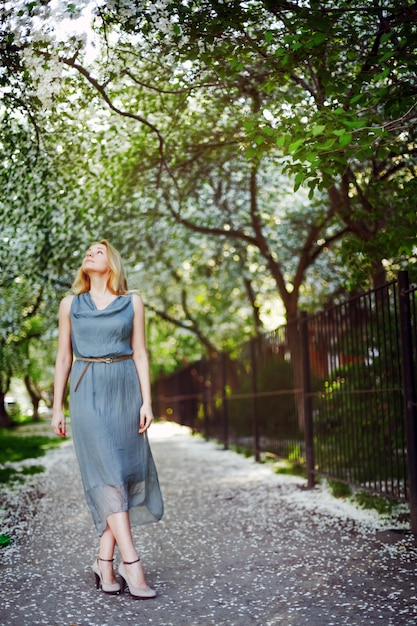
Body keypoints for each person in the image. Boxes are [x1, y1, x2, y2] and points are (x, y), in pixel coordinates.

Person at [51, 240, 164, 599]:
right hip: (88, 391)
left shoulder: (133, 302)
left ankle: (103, 561)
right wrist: (57, 407)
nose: (88, 253)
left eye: (97, 251)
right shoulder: (70, 305)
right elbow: (63, 358)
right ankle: (132, 565)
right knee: (108, 474)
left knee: (125, 474)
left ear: (111, 262)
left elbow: (141, 352)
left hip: (125, 391)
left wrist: (147, 401)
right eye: (85, 250)